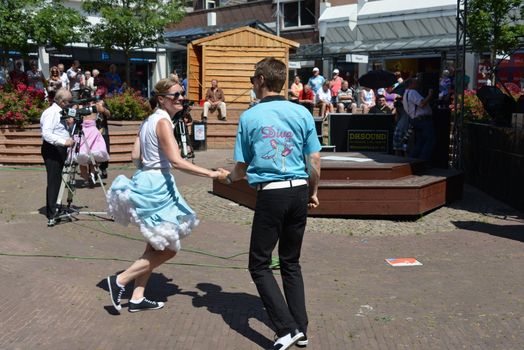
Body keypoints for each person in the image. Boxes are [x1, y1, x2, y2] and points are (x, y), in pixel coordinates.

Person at [221, 57, 321, 350]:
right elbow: (314, 159)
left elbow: (242, 166)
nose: (252, 85)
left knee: (259, 264)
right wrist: (313, 192)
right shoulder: (301, 112)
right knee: (291, 261)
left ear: (261, 80)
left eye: (253, 80)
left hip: (273, 193)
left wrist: (228, 179)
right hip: (300, 190)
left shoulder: (250, 117)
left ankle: (286, 327)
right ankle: (301, 328)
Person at [105, 78, 228, 313]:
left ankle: (137, 297)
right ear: (162, 99)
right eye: (176, 95)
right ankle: (120, 280)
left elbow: (135, 155)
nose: (181, 98)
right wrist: (211, 174)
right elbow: (176, 161)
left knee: (155, 243)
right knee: (170, 247)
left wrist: (151, 161)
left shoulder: (149, 120)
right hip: (157, 185)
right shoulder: (162, 122)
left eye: (182, 94)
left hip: (147, 178)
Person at [40, 88, 75, 227]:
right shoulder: (50, 113)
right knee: (54, 180)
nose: (70, 104)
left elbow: (58, 130)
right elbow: (47, 134)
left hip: (59, 148)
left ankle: (56, 206)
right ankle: (52, 212)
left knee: (59, 179)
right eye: (69, 102)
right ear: (61, 101)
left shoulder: (59, 112)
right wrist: (64, 142)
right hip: (52, 149)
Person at [74, 99, 111, 185]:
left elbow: (107, 113)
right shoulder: (88, 107)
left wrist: (102, 107)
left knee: (89, 156)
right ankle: (89, 175)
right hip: (89, 132)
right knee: (88, 155)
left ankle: (89, 177)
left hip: (90, 132)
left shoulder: (96, 106)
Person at [402, 77, 435, 161]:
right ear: (410, 84)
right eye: (415, 82)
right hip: (422, 120)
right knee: (429, 140)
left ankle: (413, 161)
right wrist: (430, 95)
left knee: (420, 141)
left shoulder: (406, 93)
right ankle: (423, 161)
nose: (417, 84)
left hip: (415, 120)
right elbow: (422, 103)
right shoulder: (412, 92)